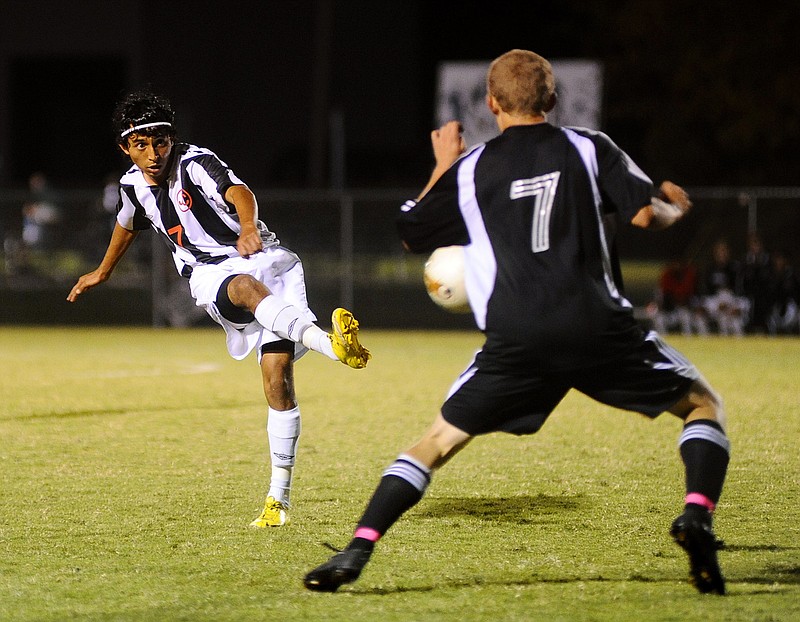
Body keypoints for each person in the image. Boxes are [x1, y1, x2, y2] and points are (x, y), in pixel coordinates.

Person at [304, 50, 730, 595]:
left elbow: (411, 231)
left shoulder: (473, 168)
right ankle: (696, 514)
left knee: (434, 442)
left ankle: (357, 549)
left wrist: (443, 162)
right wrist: (671, 202)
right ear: (552, 100)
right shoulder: (589, 147)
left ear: (491, 103)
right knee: (702, 405)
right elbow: (647, 214)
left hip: (518, 335)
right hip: (597, 324)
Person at [67, 90, 371, 528]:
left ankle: (277, 502)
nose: (153, 154)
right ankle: (331, 345)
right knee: (245, 288)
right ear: (124, 147)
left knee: (277, 382)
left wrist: (248, 227)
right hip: (213, 273)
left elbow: (238, 191)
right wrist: (102, 271)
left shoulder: (195, 161)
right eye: (141, 145)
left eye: (161, 142)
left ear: (172, 140)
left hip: (266, 259)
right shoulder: (131, 186)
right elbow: (126, 223)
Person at [648, 257, 708, 335]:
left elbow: (696, 298)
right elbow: (660, 300)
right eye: (674, 264)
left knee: (686, 316)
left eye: (679, 264)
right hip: (670, 312)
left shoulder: (689, 276)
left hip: (688, 312)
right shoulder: (666, 277)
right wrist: (660, 306)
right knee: (658, 317)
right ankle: (663, 342)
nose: (677, 266)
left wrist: (696, 308)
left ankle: (690, 341)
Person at [701, 239, 749, 336]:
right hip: (716, 304)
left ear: (728, 252)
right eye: (719, 251)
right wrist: (715, 306)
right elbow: (707, 294)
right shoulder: (710, 269)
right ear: (714, 253)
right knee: (718, 320)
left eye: (724, 250)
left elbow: (742, 292)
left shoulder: (736, 268)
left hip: (733, 302)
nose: (721, 254)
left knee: (735, 323)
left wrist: (736, 307)